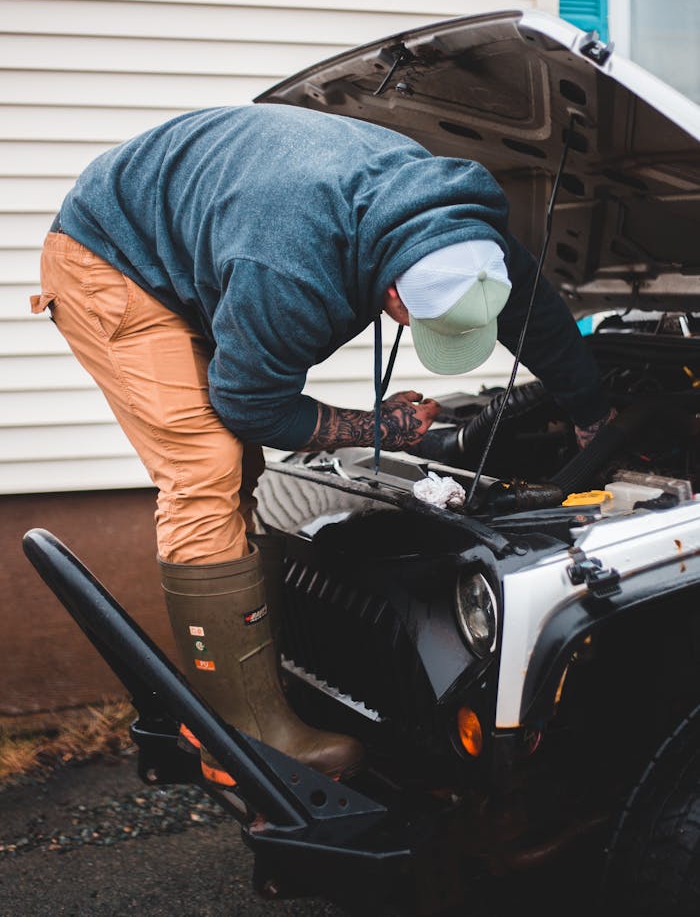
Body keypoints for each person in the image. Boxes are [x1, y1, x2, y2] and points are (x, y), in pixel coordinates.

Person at [30, 103, 613, 787]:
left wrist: (592, 415)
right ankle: (245, 739)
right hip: (113, 256)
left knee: (235, 470)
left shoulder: (460, 227)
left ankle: (264, 669)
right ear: (393, 291)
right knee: (207, 472)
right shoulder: (292, 268)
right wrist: (380, 429)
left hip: (215, 221)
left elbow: (534, 314)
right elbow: (250, 406)